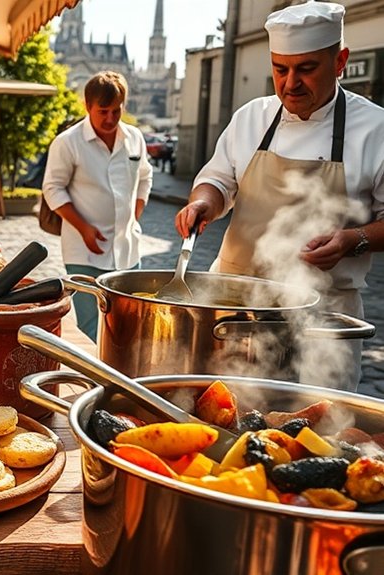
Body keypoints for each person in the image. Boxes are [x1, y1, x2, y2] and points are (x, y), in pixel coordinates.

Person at [175, 2, 384, 391]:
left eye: (307, 68)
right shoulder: (252, 116)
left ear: (340, 61)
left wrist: (351, 240)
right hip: (237, 308)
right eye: (280, 69)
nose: (290, 83)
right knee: (224, 414)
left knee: (316, 426)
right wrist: (203, 202)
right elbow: (218, 180)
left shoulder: (376, 129)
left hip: (321, 318)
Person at [42, 71, 153, 341]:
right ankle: (97, 378)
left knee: (127, 320)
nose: (111, 119)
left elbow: (145, 176)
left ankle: (122, 376)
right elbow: (52, 188)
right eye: (103, 111)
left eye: (117, 111)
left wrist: (134, 214)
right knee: (91, 324)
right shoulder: (68, 142)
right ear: (87, 106)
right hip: (84, 252)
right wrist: (83, 228)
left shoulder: (134, 137)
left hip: (127, 249)